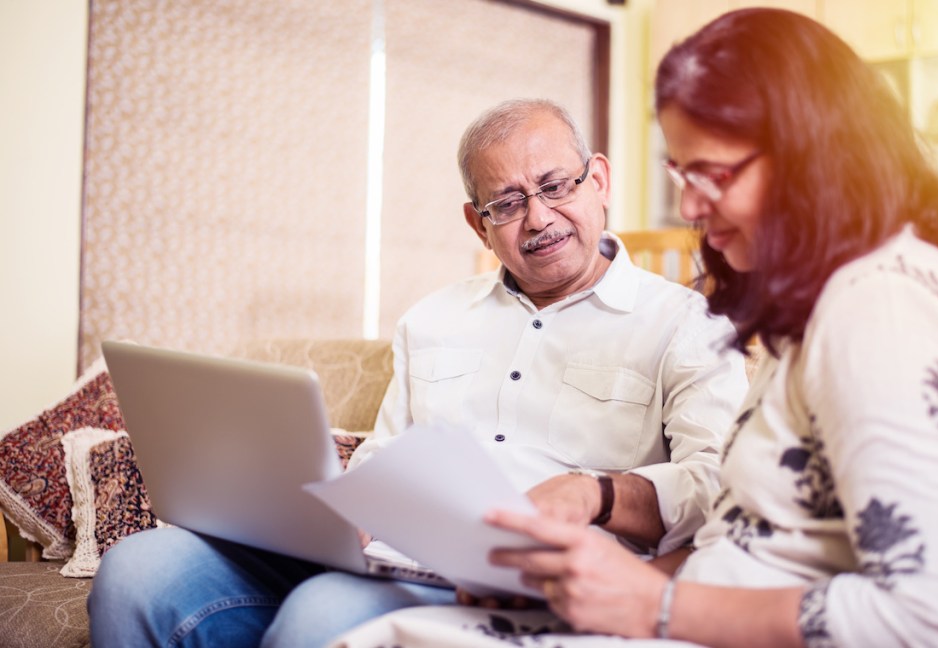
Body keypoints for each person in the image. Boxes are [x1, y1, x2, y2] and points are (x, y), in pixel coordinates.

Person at [321, 9, 938, 648]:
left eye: (713, 173)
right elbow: (756, 539)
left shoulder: (879, 310)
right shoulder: (832, 303)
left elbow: (937, 616)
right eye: (682, 172)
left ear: (816, 154)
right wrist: (588, 584)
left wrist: (652, 605)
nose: (689, 204)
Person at [87, 98, 748, 647]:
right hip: (394, 554)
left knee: (323, 612)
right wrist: (349, 506)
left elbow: (720, 488)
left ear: (598, 180)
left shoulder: (688, 322)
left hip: (533, 580)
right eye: (507, 203)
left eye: (555, 186)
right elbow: (386, 452)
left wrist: (595, 492)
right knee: (136, 570)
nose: (539, 218)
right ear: (477, 223)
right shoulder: (432, 317)